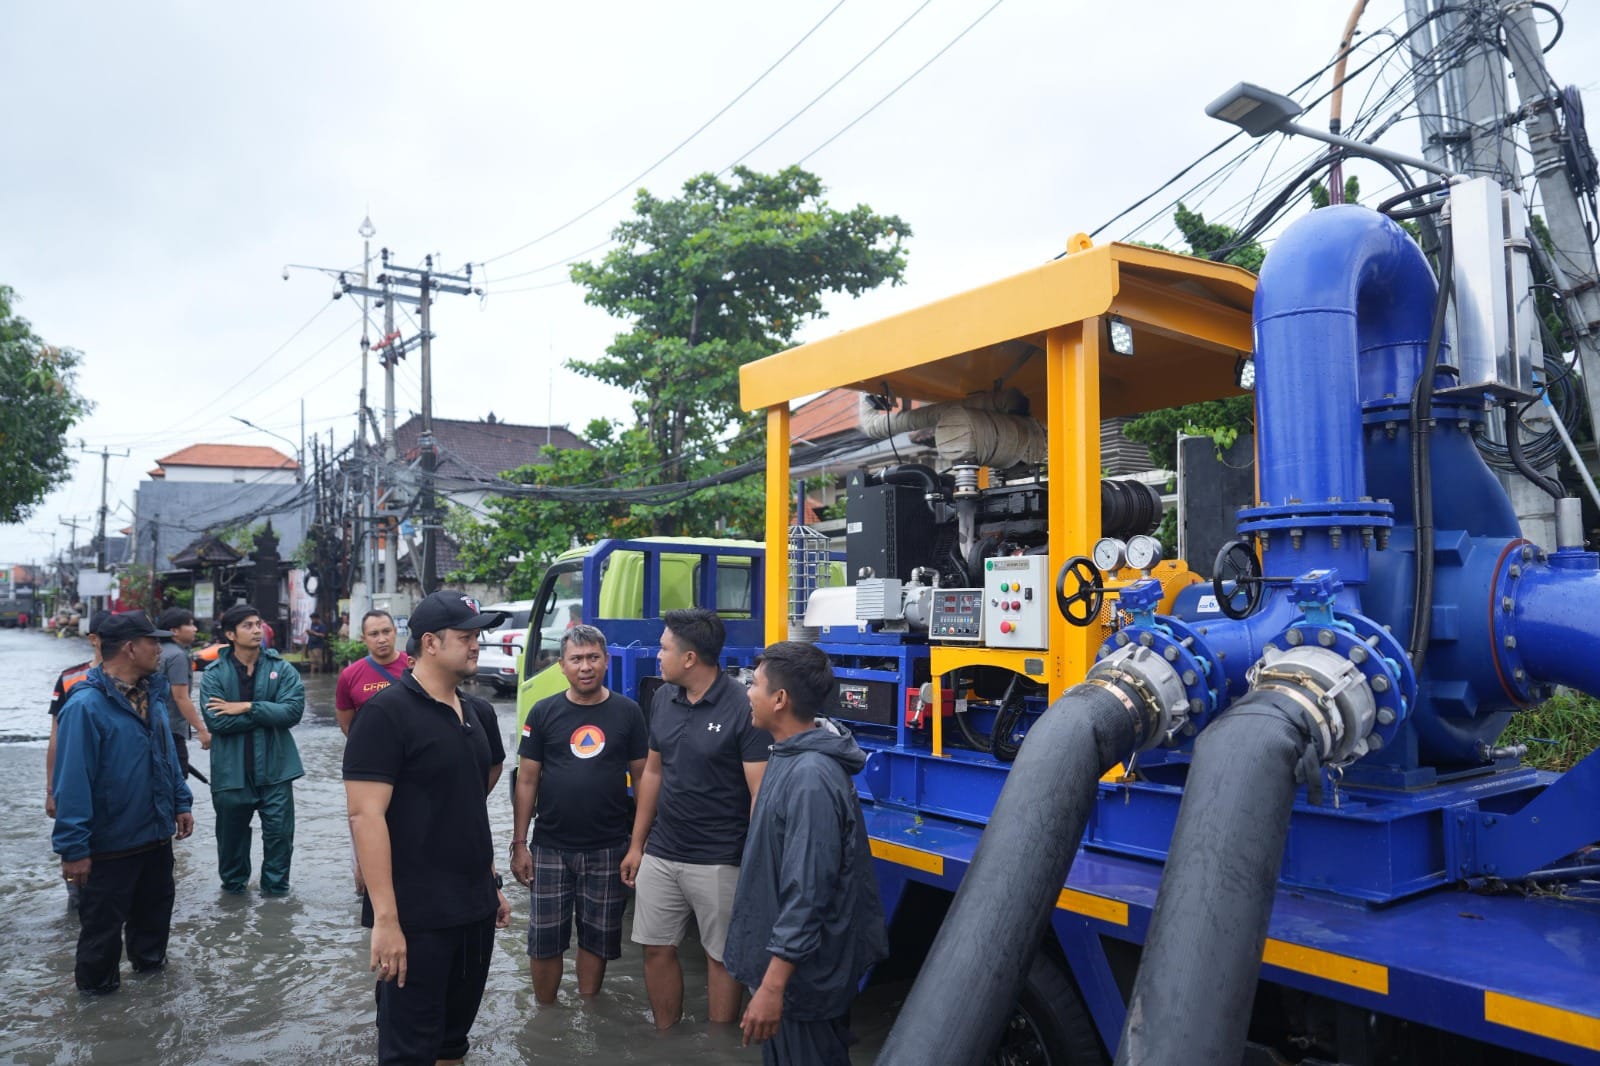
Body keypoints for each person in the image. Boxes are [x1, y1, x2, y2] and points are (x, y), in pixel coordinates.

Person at [344, 590, 512, 1066]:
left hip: (474, 910)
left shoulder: (478, 713)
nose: (477, 645)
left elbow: (468, 802)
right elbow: (364, 815)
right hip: (415, 919)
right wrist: (386, 919)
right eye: (466, 636)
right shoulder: (385, 714)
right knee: (407, 1049)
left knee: (453, 1043)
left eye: (478, 635)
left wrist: (489, 880)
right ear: (431, 643)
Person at [724, 642, 888, 1064]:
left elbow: (808, 893)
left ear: (780, 700)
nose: (747, 692)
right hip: (792, 978)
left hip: (804, 985)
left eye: (756, 685)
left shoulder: (811, 777)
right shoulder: (787, 756)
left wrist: (773, 987)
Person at [621, 607, 771, 1029]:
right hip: (663, 851)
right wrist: (638, 844)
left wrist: (755, 861)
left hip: (720, 857)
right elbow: (652, 772)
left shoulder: (743, 708)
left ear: (690, 658)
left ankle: (720, 1044)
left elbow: (759, 791)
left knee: (721, 957)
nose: (657, 655)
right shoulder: (662, 698)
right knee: (654, 947)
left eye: (664, 648)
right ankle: (666, 1038)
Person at [52, 612, 196, 993]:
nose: (160, 650)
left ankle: (151, 1012)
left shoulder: (154, 694)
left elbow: (165, 754)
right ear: (131, 648)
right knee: (101, 940)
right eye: (153, 643)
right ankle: (98, 1021)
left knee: (153, 934)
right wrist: (73, 848)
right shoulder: (85, 706)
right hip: (110, 847)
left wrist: (182, 800)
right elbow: (72, 782)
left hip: (154, 837)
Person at [509, 624, 647, 1004]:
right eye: (577, 659)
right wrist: (520, 844)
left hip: (609, 848)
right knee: (545, 939)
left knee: (598, 936)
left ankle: (589, 1009)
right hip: (551, 846)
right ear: (562, 665)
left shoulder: (628, 713)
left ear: (605, 661)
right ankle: (546, 1012)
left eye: (593, 658)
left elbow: (644, 777)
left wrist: (638, 844)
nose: (585, 666)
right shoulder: (543, 712)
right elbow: (527, 780)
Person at [199, 603, 305, 895]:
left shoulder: (281, 668)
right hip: (231, 774)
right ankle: (233, 908)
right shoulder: (214, 674)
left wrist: (247, 706)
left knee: (280, 840)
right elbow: (216, 722)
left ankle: (276, 907)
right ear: (231, 634)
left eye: (258, 624)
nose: (257, 630)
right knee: (231, 848)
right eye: (248, 625)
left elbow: (293, 713)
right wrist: (268, 714)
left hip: (277, 770)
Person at [335, 609, 411, 735]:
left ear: (395, 632)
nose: (382, 640)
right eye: (374, 634)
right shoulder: (349, 675)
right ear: (364, 638)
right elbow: (347, 725)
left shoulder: (415, 665)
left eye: (386, 632)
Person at [157, 607, 211, 781]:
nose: (195, 629)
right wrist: (202, 730)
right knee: (178, 781)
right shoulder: (177, 656)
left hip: (153, 727)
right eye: (190, 624)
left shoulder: (158, 651)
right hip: (171, 730)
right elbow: (180, 697)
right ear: (174, 631)